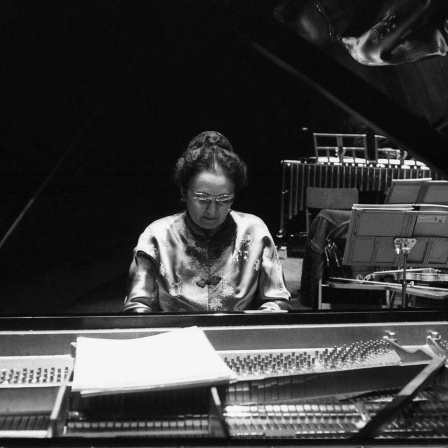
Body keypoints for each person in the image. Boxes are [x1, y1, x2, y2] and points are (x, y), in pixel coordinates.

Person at [123, 131, 290, 313]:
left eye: (224, 199)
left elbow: (277, 300)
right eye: (202, 198)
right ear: (184, 192)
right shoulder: (157, 236)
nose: (212, 210)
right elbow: (138, 306)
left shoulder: (254, 232)